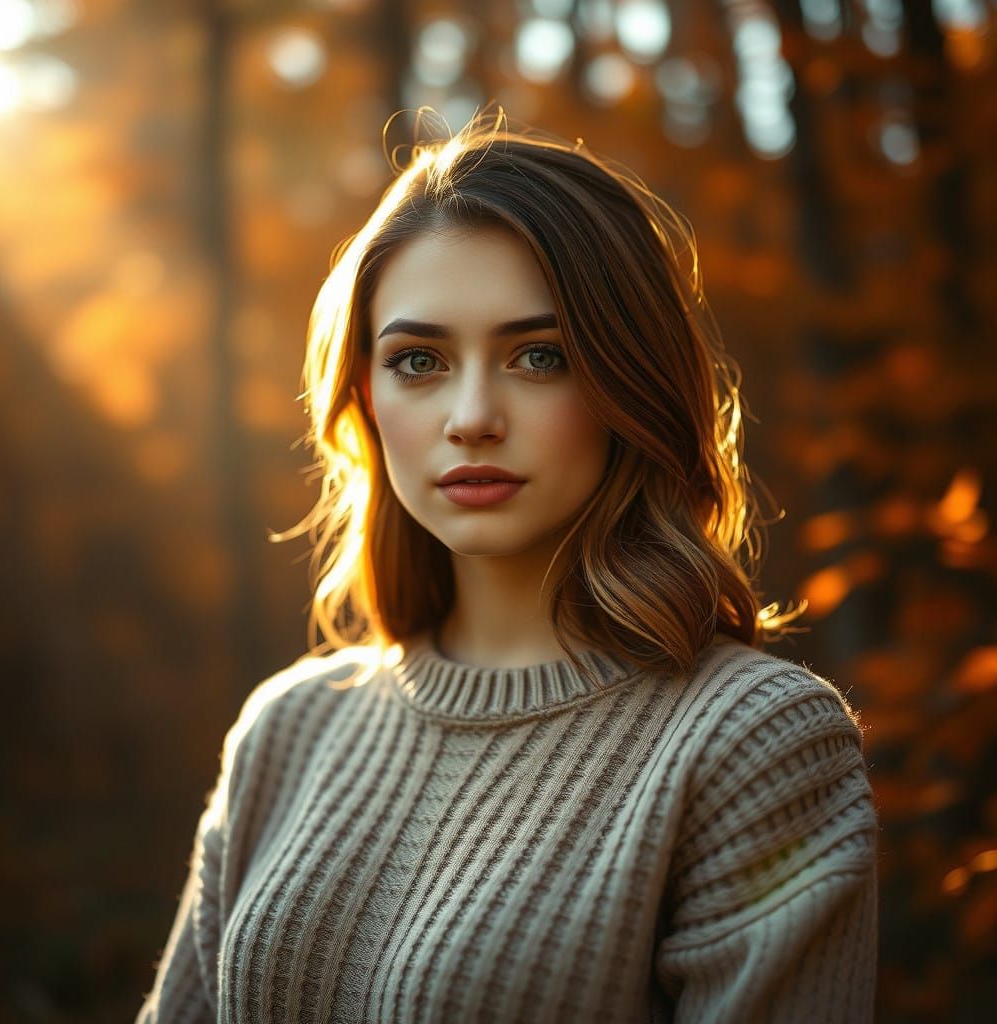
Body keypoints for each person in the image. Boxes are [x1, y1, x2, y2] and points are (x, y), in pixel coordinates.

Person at [135, 108, 879, 1023]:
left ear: (628, 381)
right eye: (419, 360)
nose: (473, 415)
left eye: (539, 355)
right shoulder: (288, 730)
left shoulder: (754, 742)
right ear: (364, 399)